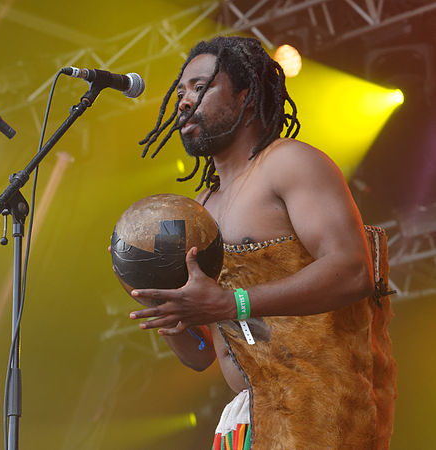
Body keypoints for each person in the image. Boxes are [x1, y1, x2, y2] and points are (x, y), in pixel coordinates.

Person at [128, 36, 397, 449]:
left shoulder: (288, 163)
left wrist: (233, 303)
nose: (184, 102)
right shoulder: (199, 209)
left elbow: (353, 269)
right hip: (246, 416)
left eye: (200, 88)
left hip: (320, 410)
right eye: (180, 92)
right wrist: (163, 305)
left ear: (247, 96)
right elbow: (202, 354)